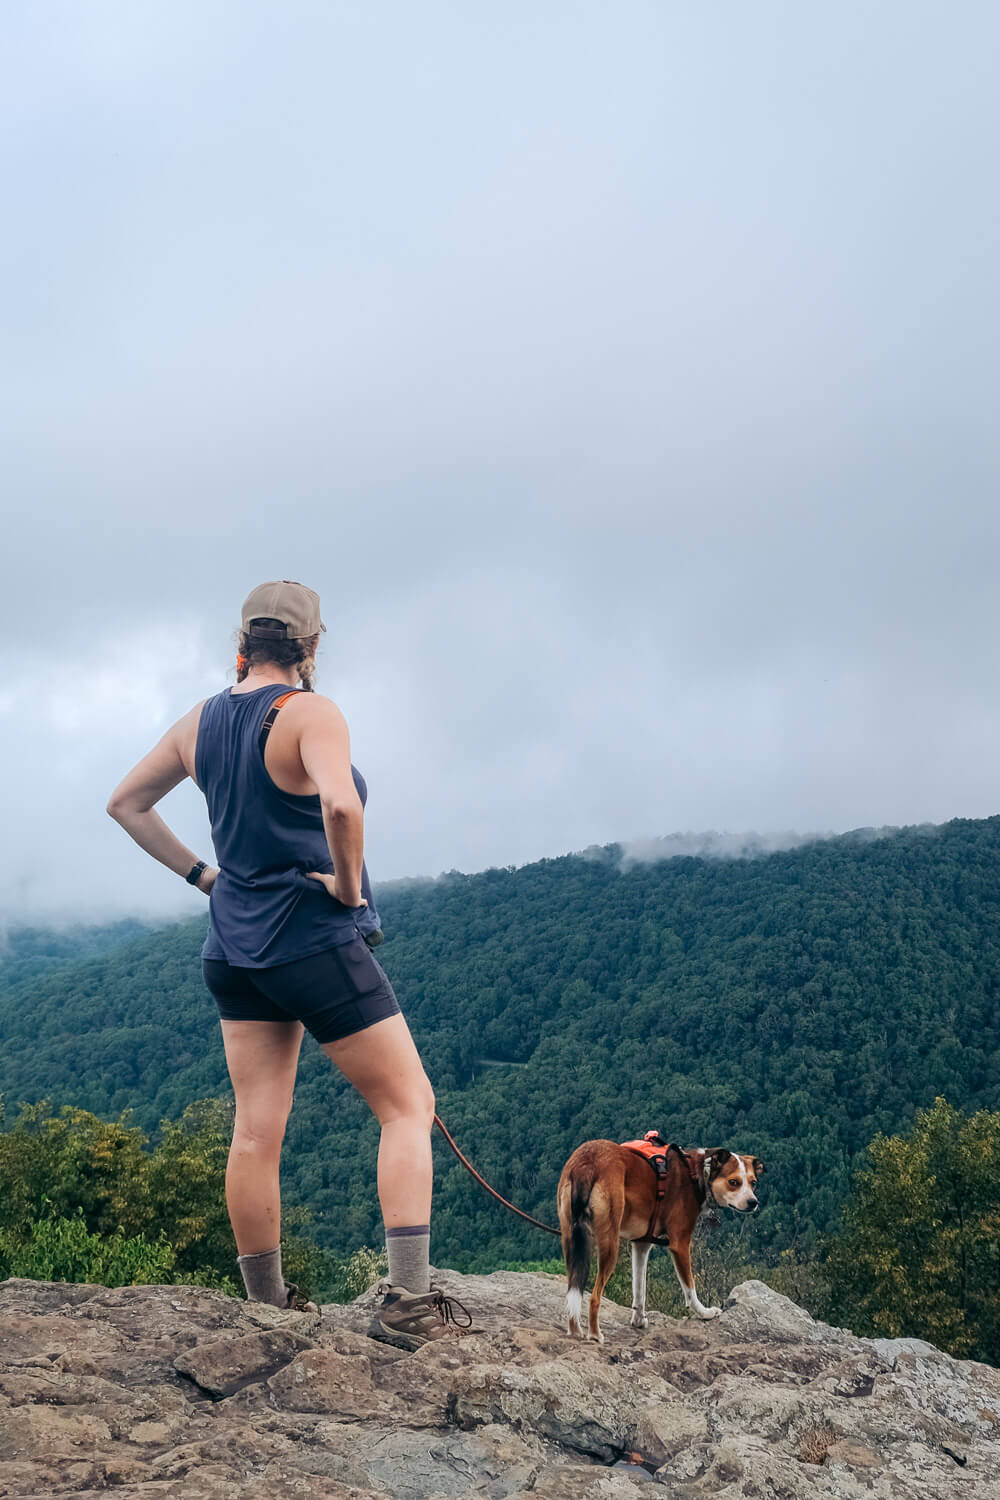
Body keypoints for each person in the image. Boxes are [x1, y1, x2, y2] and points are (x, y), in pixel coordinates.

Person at [107, 579, 469, 1346]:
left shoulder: (200, 721)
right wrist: (344, 884)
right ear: (310, 646)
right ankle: (406, 1305)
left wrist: (205, 878)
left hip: (232, 948)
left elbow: (126, 803)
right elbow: (340, 806)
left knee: (254, 1130)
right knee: (409, 1106)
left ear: (243, 642)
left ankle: (266, 1305)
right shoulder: (310, 712)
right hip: (310, 940)